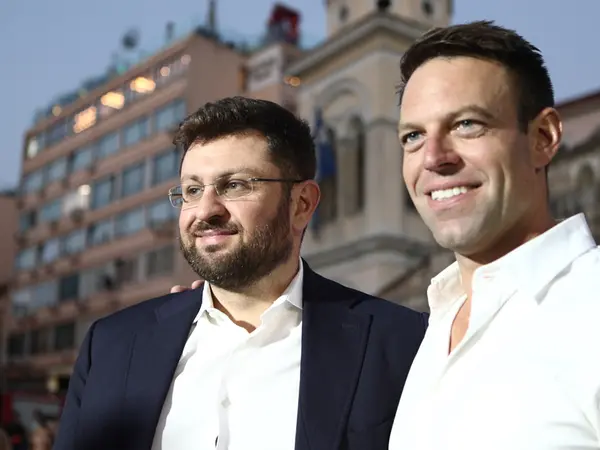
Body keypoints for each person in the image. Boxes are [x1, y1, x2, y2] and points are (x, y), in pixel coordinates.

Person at [53, 97, 427, 450]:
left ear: (301, 204)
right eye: (192, 190)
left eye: (234, 185)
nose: (205, 210)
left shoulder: (399, 343)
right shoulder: (111, 345)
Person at [388, 20, 600, 450]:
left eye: (467, 124)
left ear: (543, 137)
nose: (433, 158)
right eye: (413, 136)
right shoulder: (437, 326)